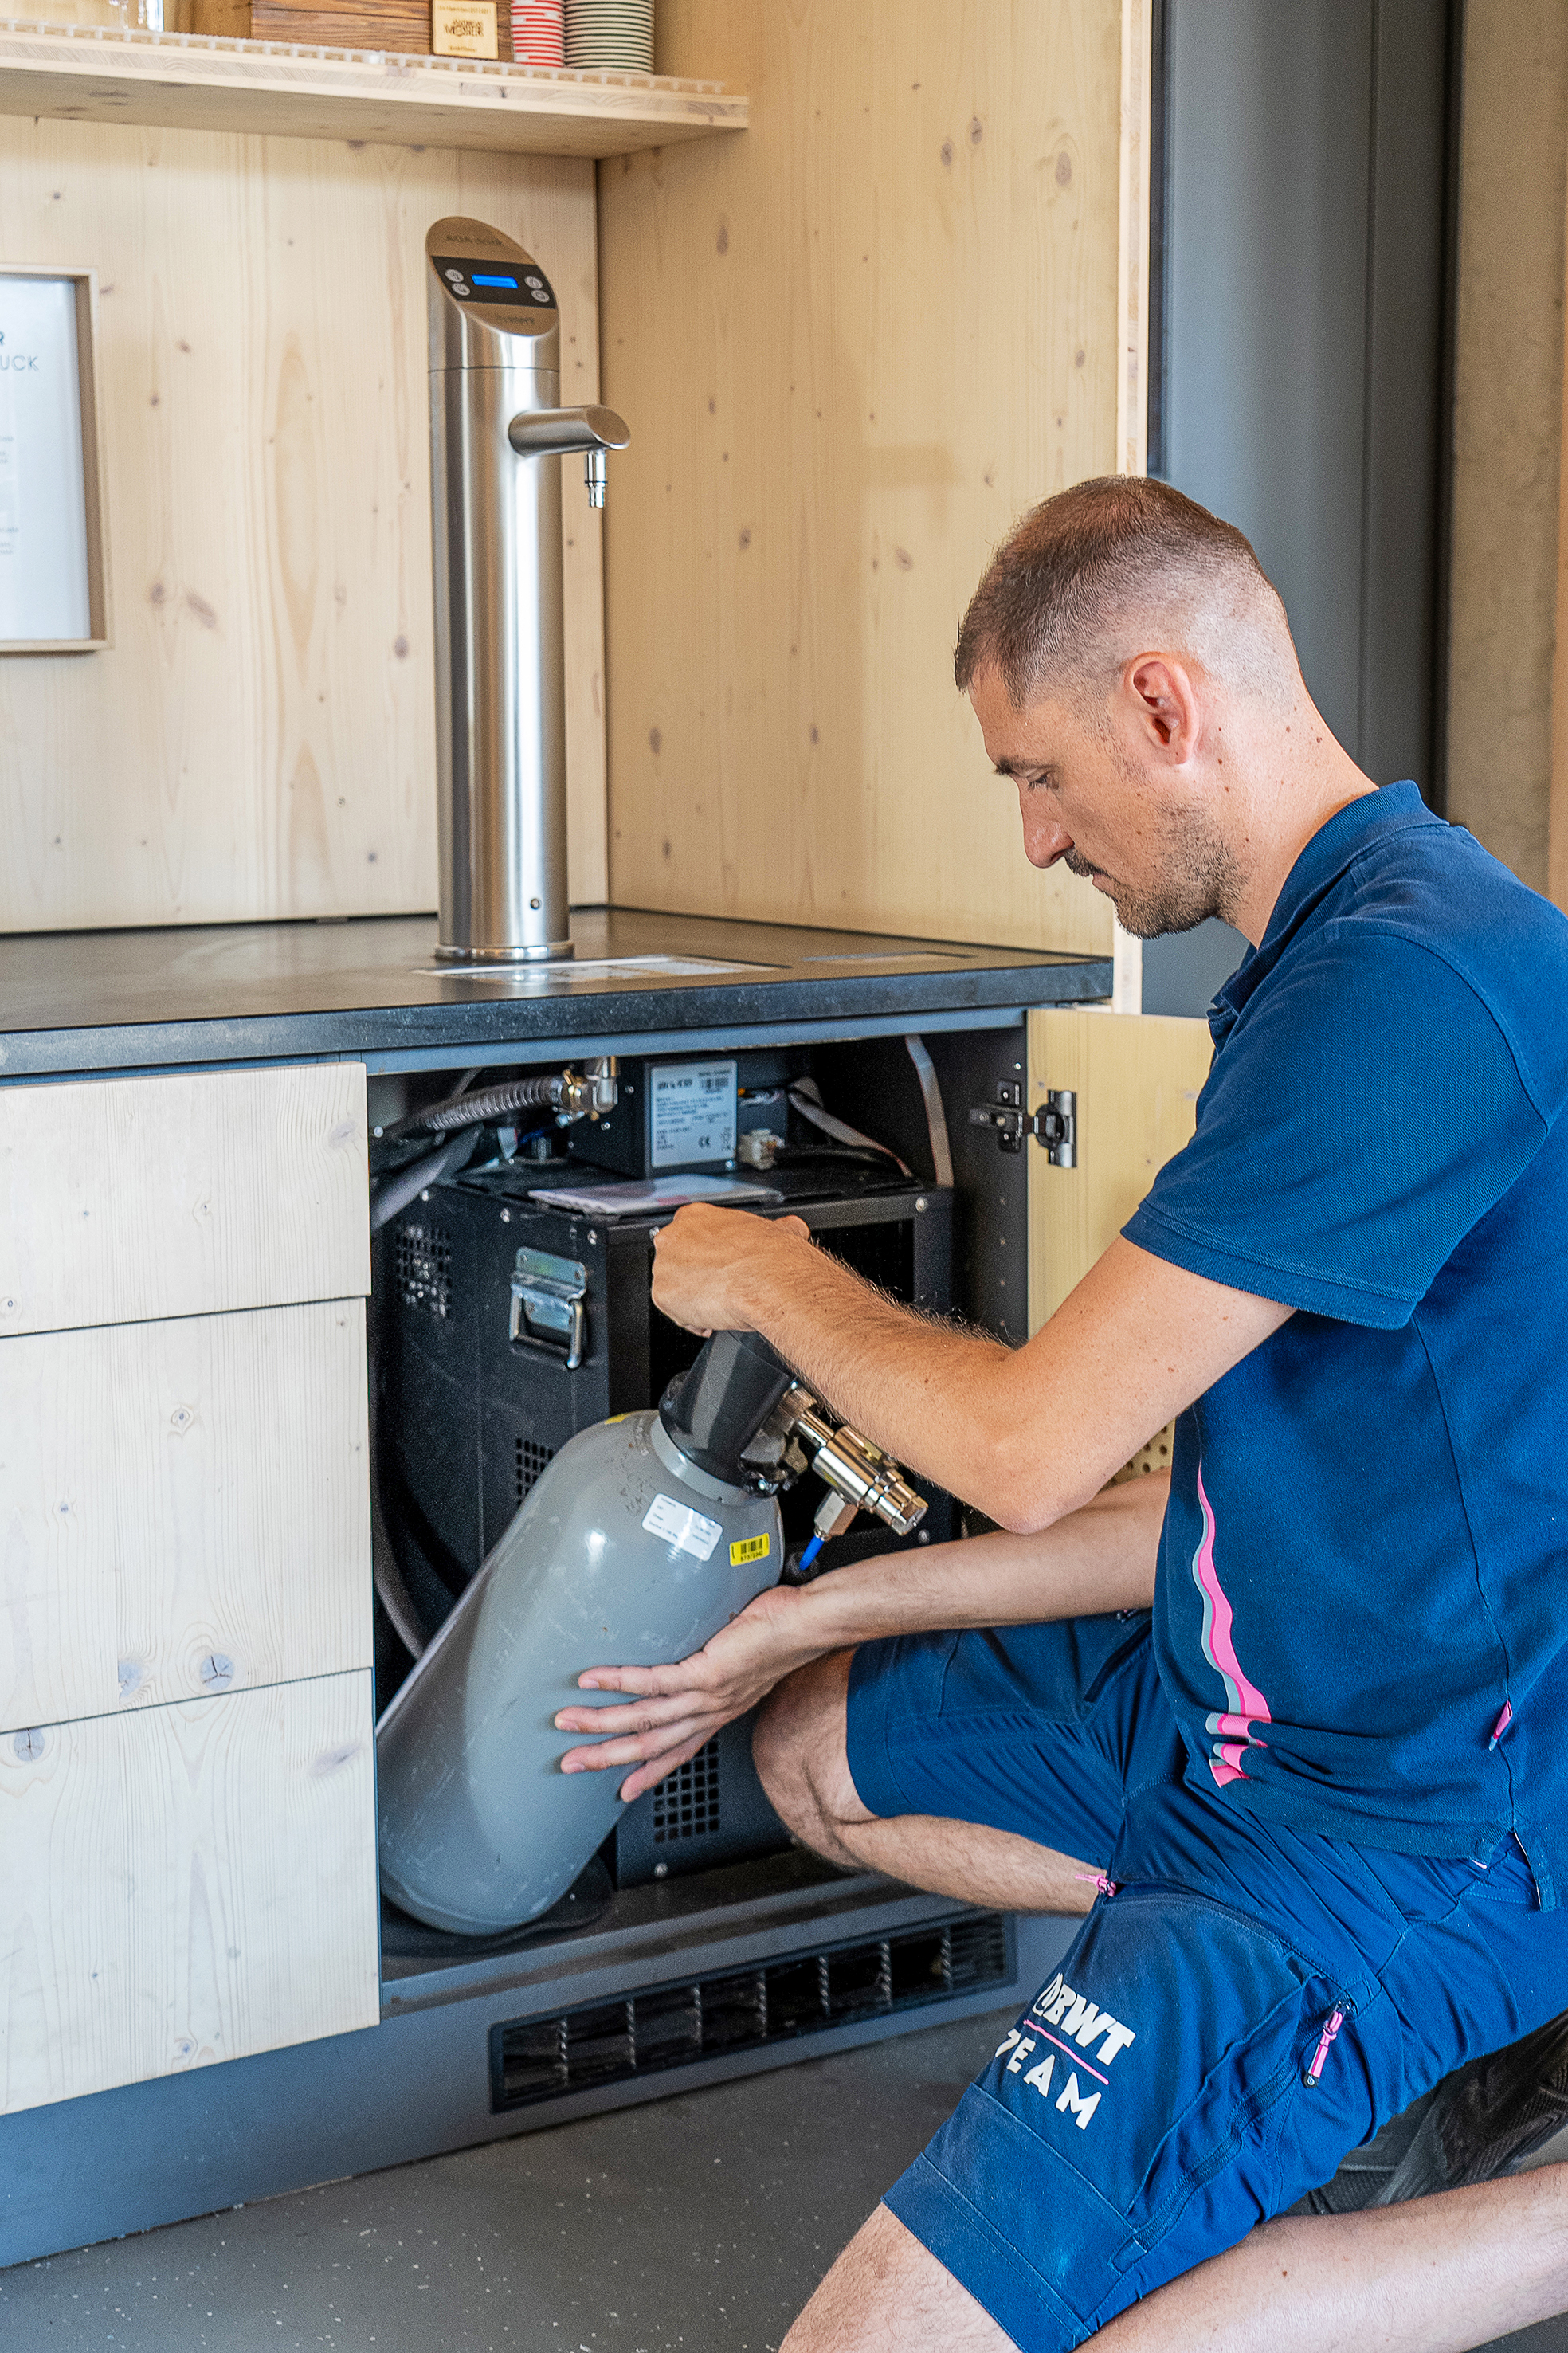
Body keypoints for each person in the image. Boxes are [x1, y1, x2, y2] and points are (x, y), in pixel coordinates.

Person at [555, 477, 1568, 2353]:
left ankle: (1499, 2173)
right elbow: (1192, 1504)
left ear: (1165, 708)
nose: (1035, 839)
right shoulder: (1323, 963)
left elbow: (1028, 1447)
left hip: (1401, 1825)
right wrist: (806, 1613)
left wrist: (775, 1274)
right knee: (812, 1751)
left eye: (1039, 774)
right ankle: (1291, 2069)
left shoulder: (1413, 989)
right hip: (1226, 1707)